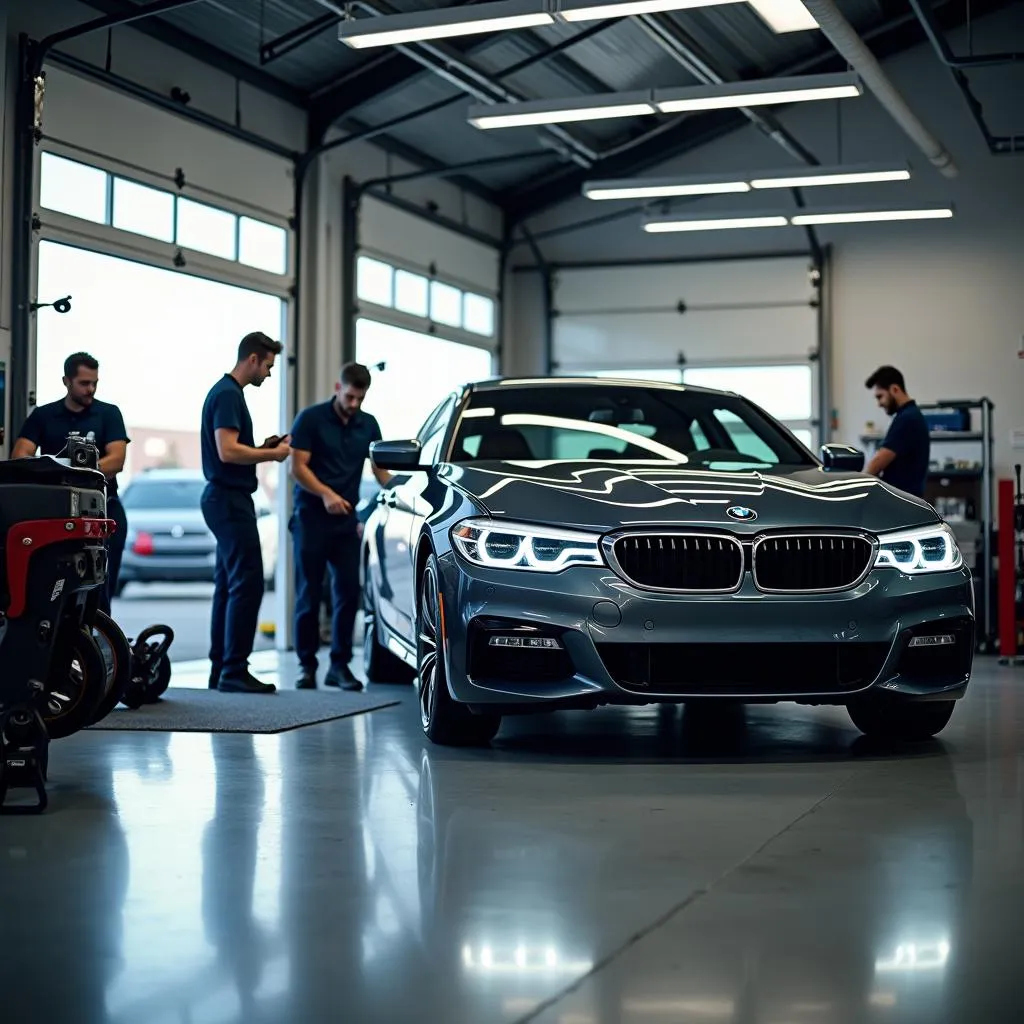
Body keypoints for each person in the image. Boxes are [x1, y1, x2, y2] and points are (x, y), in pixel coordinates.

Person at [289, 362, 392, 690]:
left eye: (359, 399)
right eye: (349, 397)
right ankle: (307, 666)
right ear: (338, 387)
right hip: (311, 518)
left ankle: (339, 667)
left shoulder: (368, 425)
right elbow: (297, 467)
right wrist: (327, 495)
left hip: (346, 522)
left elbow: (381, 473)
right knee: (309, 593)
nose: (353, 404)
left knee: (348, 592)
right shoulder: (311, 418)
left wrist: (404, 491)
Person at [201, 332, 291, 694]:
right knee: (247, 583)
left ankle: (221, 670)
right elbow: (227, 451)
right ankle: (234, 670)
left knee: (228, 585)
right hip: (228, 500)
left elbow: (235, 449)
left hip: (225, 498)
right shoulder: (227, 394)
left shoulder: (226, 394)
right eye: (268, 365)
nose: (269, 373)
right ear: (253, 359)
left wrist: (259, 447)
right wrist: (271, 455)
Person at [11, 352, 130, 614]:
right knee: (56, 587)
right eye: (84, 383)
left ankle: (98, 647)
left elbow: (117, 460)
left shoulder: (108, 414)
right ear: (66, 381)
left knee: (101, 589)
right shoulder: (44, 415)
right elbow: (19, 456)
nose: (91, 389)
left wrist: (75, 474)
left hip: (104, 511)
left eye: (95, 383)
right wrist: (52, 473)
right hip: (56, 516)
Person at [864, 365, 930, 497]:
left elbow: (878, 461)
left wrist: (856, 487)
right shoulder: (911, 415)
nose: (879, 404)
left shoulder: (907, 419)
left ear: (895, 389)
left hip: (903, 504)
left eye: (880, 396)